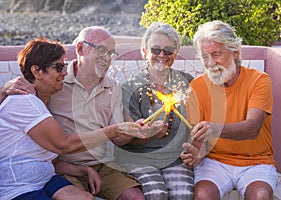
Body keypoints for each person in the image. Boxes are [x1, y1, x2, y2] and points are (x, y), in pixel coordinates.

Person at [0, 26, 165, 200]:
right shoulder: (45, 92)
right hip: (41, 176)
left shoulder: (109, 86)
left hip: (76, 169)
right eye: (101, 50)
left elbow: (119, 138)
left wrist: (139, 131)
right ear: (80, 49)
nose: (63, 72)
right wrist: (4, 92)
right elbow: (63, 144)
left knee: (135, 196)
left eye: (111, 53)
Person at [181, 20, 278, 200]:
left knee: (260, 195)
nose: (210, 63)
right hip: (214, 161)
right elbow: (197, 137)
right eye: (204, 57)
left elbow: (252, 128)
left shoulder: (259, 80)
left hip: (256, 162)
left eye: (216, 54)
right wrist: (194, 153)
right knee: (202, 194)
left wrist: (214, 129)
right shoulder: (197, 86)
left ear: (235, 52)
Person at [115, 22, 195, 200]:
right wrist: (149, 134)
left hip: (175, 159)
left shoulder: (187, 82)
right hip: (139, 158)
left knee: (183, 195)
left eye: (168, 50)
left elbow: (194, 126)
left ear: (175, 53)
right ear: (144, 51)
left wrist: (193, 147)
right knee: (156, 194)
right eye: (155, 49)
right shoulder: (129, 86)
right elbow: (128, 140)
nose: (162, 55)